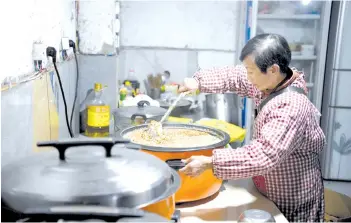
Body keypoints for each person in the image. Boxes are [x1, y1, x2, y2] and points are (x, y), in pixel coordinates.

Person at [178, 33, 326, 222]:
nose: (247, 76)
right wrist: (197, 81)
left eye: (251, 71)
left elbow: (264, 154)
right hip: (266, 190)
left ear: (273, 69)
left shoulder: (291, 105)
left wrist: (210, 163)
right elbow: (234, 76)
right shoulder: (273, 79)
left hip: (291, 200)